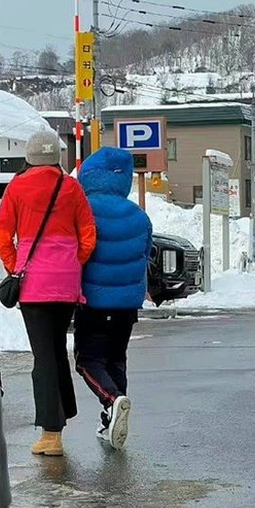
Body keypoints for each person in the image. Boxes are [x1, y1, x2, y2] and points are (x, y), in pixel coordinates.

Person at [0, 130, 96, 457]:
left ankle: (51, 434)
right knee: (54, 348)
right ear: (56, 158)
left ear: (30, 157)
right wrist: (71, 262)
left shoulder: (17, 187)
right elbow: (88, 235)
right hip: (66, 283)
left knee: (43, 356)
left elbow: (2, 234)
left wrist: (16, 265)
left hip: (34, 284)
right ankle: (63, 412)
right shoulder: (71, 187)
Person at [75, 146, 153, 450]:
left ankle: (111, 399)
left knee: (87, 360)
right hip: (127, 305)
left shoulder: (83, 211)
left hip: (92, 300)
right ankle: (112, 418)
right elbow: (145, 254)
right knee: (116, 358)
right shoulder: (139, 216)